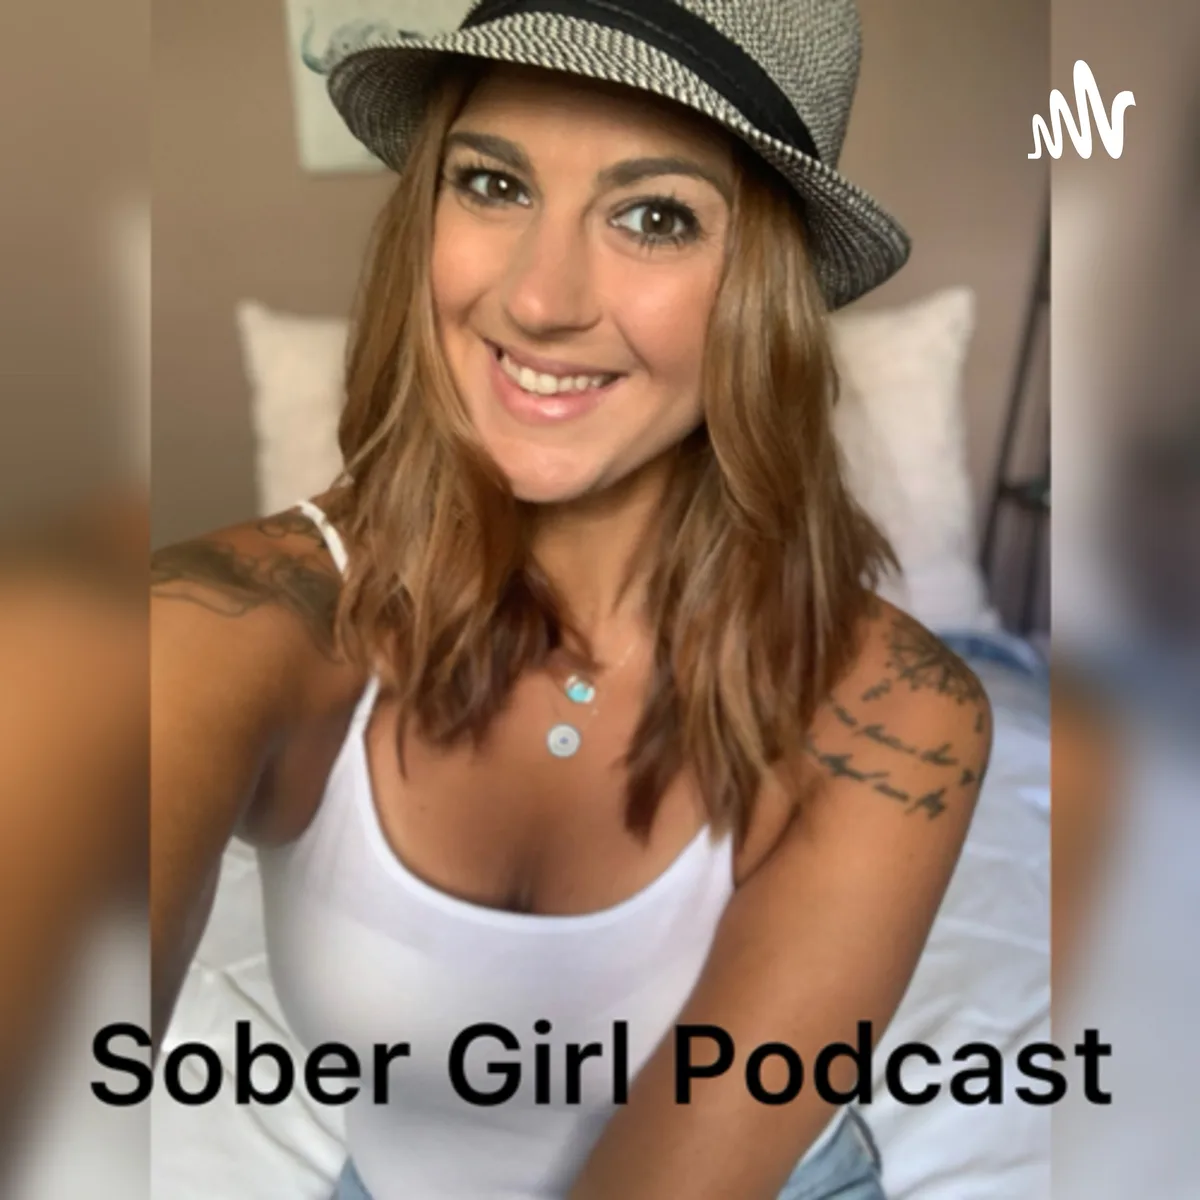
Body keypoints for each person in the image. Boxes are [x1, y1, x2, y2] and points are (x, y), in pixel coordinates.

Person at [151, 2, 992, 1197]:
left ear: (761, 290)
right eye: (493, 185)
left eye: (655, 217)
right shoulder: (215, 625)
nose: (541, 301)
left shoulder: (899, 714)